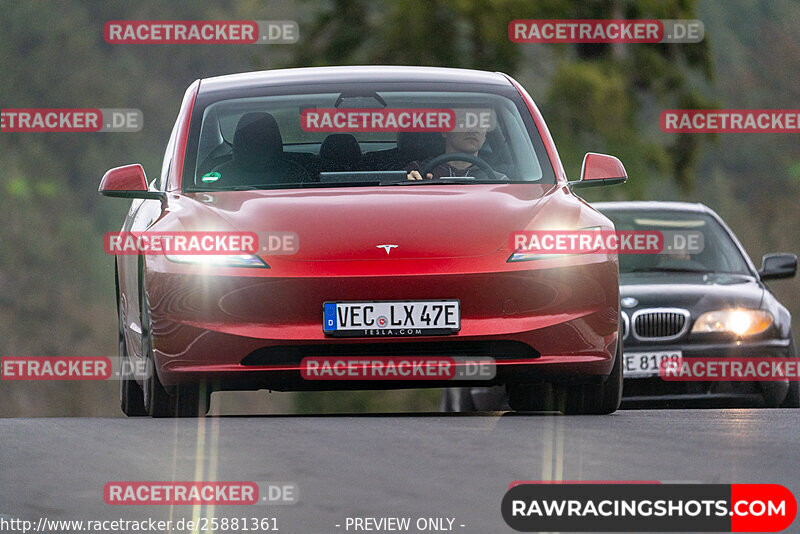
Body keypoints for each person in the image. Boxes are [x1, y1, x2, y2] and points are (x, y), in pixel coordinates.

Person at [405, 128, 507, 180]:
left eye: (480, 124)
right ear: (445, 131)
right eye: (464, 122)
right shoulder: (417, 170)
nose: (474, 129)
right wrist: (407, 185)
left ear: (485, 136)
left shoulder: (499, 181)